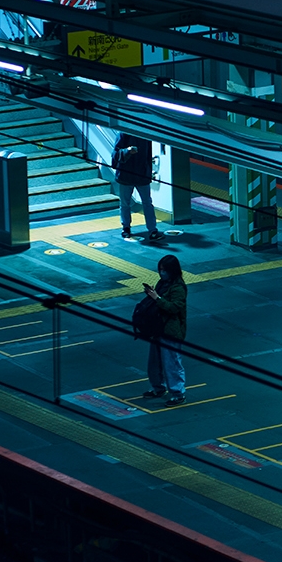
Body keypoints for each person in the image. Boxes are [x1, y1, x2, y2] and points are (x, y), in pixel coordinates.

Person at [140, 254, 188, 404]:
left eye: (164, 270)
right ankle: (158, 387)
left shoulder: (178, 288)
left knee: (172, 363)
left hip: (170, 331)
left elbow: (173, 307)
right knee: (154, 362)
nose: (161, 273)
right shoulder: (163, 283)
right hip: (158, 328)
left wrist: (157, 298)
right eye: (160, 270)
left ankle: (178, 393)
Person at [114, 133, 161, 240]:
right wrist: (127, 151)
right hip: (132, 175)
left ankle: (149, 229)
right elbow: (115, 155)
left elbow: (148, 155)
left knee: (134, 203)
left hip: (135, 175)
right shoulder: (123, 134)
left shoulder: (144, 134)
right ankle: (128, 227)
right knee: (140, 203)